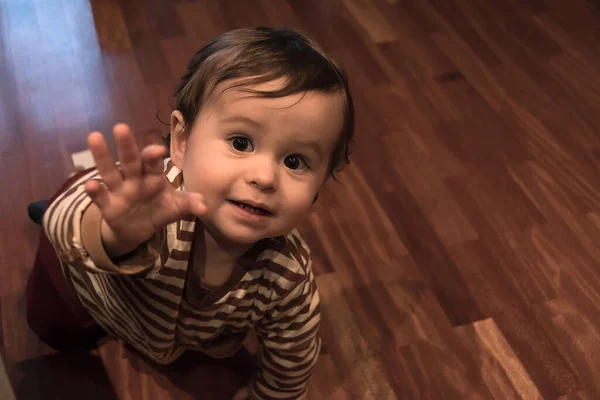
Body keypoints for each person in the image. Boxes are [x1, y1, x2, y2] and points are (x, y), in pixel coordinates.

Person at [26, 27, 354, 400]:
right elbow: (61, 220)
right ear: (181, 142)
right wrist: (115, 234)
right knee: (54, 333)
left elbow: (292, 360)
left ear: (319, 184)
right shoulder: (155, 202)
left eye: (295, 161)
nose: (264, 177)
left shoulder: (287, 275)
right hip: (80, 270)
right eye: (241, 142)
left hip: (152, 325)